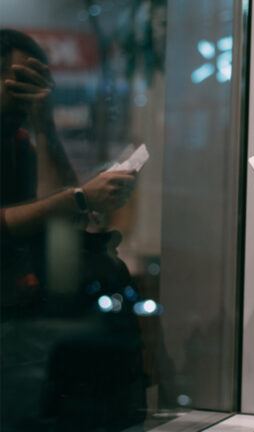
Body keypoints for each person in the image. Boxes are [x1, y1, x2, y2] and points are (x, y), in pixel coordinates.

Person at [1, 29, 144, 431]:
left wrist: (44, 122)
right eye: (18, 80)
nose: (28, 91)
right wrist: (80, 197)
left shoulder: (18, 139)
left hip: (22, 317)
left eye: (37, 82)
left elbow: (59, 208)